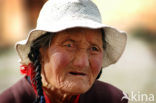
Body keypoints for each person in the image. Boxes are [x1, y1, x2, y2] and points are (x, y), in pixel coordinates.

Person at [0, 0, 128, 103]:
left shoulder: (113, 99)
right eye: (69, 45)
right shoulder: (11, 100)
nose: (82, 62)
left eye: (94, 49)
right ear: (40, 52)